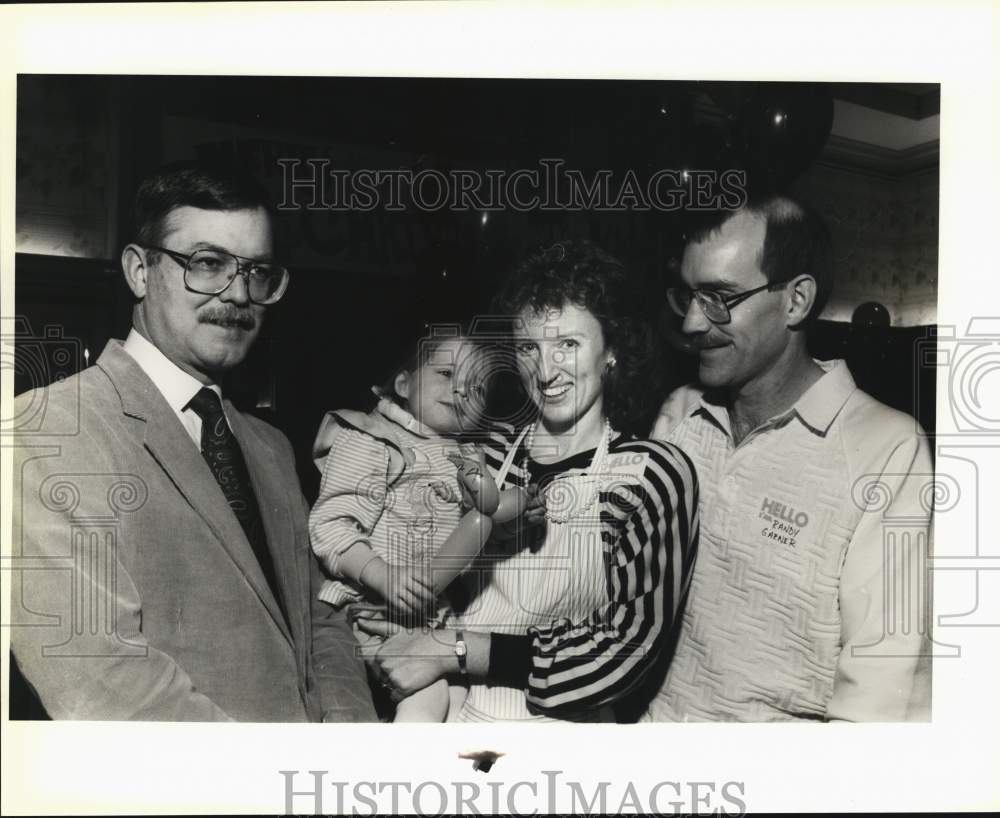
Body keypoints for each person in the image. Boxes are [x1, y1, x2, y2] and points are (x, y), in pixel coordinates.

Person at [9, 161, 375, 721]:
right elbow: (104, 685)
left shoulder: (270, 445)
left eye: (256, 272)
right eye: (207, 263)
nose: (237, 294)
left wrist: (347, 740)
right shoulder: (46, 431)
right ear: (138, 270)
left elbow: (318, 616)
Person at [359, 240, 700, 722]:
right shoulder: (486, 451)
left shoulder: (648, 474)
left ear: (612, 350)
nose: (545, 371)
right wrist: (393, 602)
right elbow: (434, 559)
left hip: (562, 741)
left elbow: (626, 653)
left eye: (568, 344)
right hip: (452, 715)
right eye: (528, 348)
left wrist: (455, 648)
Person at [645, 195, 932, 722]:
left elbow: (880, 702)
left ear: (797, 301)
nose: (690, 322)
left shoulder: (888, 451)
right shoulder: (679, 416)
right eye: (687, 295)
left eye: (718, 297)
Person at [309, 327, 524, 721]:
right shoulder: (374, 439)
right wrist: (381, 574)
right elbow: (331, 524)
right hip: (369, 607)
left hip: (431, 613)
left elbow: (472, 539)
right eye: (446, 374)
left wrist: (510, 521)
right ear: (404, 384)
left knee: (462, 697)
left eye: (476, 386)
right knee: (429, 695)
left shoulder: (468, 458)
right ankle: (403, 776)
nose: (460, 390)